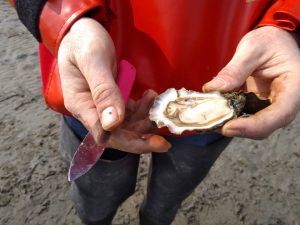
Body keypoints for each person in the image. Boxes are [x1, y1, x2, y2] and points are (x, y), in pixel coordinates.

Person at [9, 0, 300, 224]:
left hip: (227, 84)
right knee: (96, 194)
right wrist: (67, 19)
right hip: (93, 82)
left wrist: (290, 25)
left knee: (168, 197)